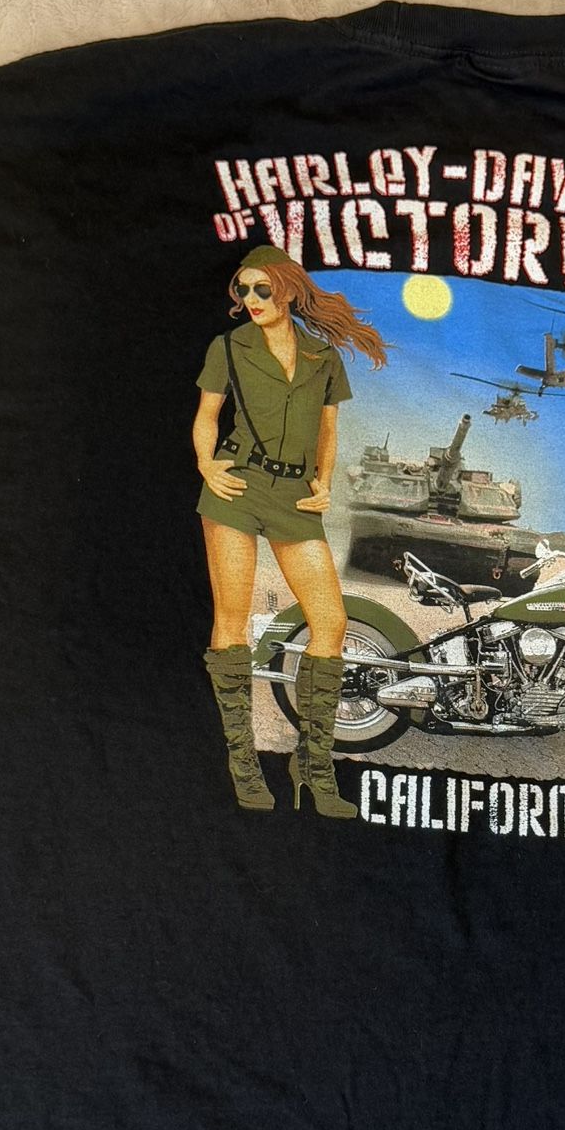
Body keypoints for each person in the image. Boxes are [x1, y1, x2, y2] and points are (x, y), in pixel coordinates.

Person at [193, 244, 387, 818]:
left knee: (331, 622)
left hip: (296, 496)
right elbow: (207, 416)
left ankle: (313, 764)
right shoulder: (228, 347)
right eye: (243, 290)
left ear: (288, 291)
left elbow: (328, 431)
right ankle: (243, 762)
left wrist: (324, 481)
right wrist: (206, 465)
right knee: (232, 619)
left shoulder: (323, 356)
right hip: (237, 487)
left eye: (262, 289)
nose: (251, 299)